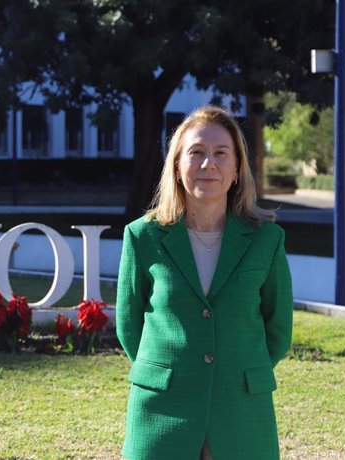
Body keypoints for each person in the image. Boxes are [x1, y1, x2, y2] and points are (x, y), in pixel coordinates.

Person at [116, 106, 293, 460]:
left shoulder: (267, 240)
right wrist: (173, 368)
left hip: (241, 409)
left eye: (220, 153)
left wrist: (234, 367)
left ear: (237, 169)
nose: (208, 163)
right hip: (163, 408)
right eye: (196, 152)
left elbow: (278, 330)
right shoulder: (142, 237)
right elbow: (128, 325)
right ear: (178, 167)